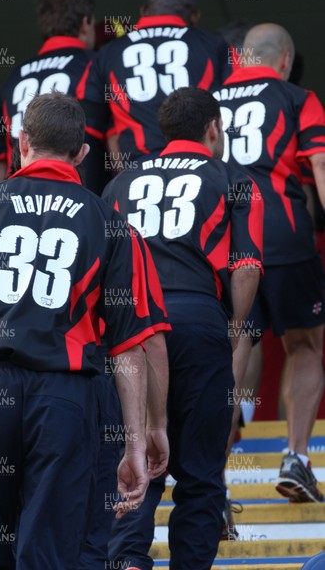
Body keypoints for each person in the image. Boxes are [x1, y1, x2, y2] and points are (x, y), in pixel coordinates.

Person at [0, 92, 169, 569]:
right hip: (65, 396)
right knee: (50, 557)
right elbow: (130, 347)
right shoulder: (112, 224)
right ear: (83, 153)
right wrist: (135, 441)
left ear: (22, 142)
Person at [102, 87, 263, 570]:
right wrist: (232, 328)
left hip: (131, 330)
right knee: (200, 476)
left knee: (136, 462)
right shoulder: (236, 179)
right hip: (198, 322)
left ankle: (127, 562)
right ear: (213, 129)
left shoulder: (119, 184)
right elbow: (247, 265)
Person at [214, 23, 325, 502]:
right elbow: (319, 165)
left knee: (235, 346)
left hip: (229, 236)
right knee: (304, 344)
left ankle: (211, 482)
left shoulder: (209, 100)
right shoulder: (299, 97)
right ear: (284, 60)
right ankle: (296, 459)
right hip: (283, 231)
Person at [80, 0, 232, 167]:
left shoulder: (106, 54)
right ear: (195, 16)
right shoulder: (216, 46)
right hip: (200, 170)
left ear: (143, 11)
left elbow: (89, 129)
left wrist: (107, 188)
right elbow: (239, 105)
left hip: (137, 177)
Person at [0, 0, 109, 194]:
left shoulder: (12, 78)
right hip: (80, 207)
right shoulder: (97, 65)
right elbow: (119, 140)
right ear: (85, 22)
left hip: (18, 208)